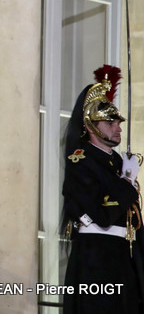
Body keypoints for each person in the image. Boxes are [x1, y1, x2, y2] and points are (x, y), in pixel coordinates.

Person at [62, 65, 144, 314]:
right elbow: (103, 214)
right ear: (90, 125)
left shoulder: (116, 161)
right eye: (110, 122)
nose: (117, 127)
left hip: (123, 254)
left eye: (117, 121)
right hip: (96, 259)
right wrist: (128, 181)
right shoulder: (82, 160)